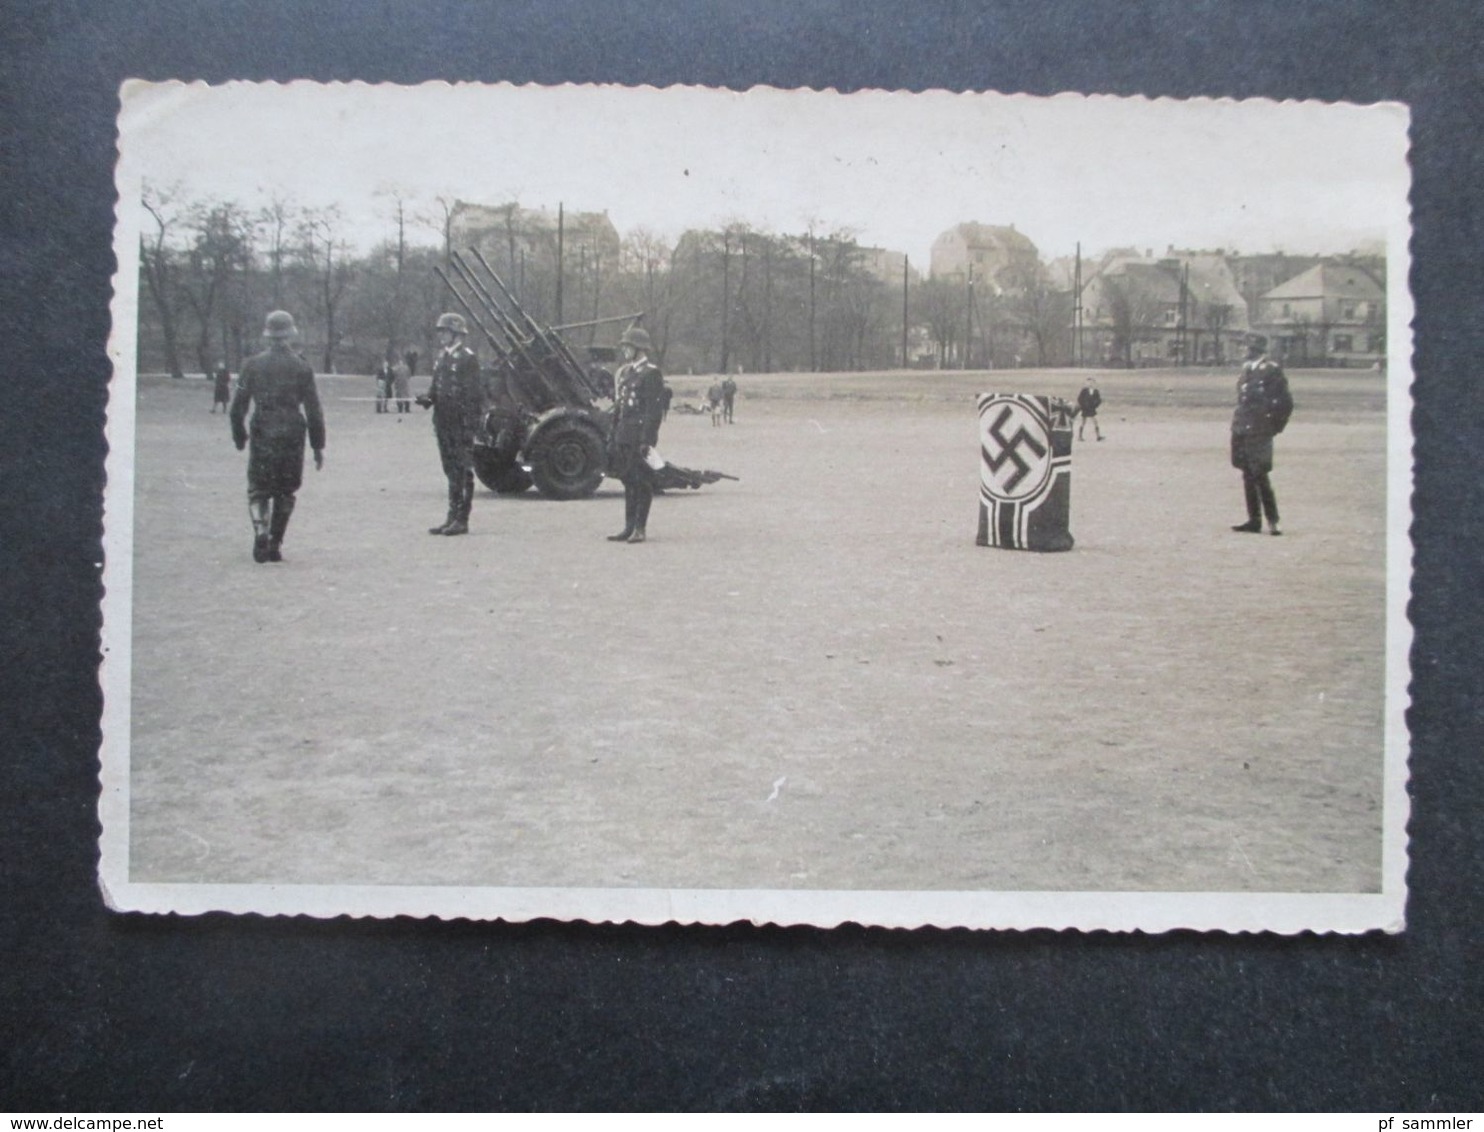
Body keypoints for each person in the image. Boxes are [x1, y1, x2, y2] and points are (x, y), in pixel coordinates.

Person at [229, 311, 325, 563]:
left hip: (263, 430)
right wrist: (318, 446)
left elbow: (238, 405)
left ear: (267, 335)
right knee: (286, 490)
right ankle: (275, 542)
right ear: (291, 335)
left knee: (258, 488)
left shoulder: (251, 365)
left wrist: (239, 435)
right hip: (292, 433)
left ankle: (260, 531)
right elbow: (314, 409)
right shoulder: (302, 366)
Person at [417, 313, 484, 536]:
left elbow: (474, 396)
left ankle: (462, 519)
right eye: (440, 332)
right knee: (450, 469)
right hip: (443, 421)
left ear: (456, 333)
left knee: (462, 470)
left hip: (460, 424)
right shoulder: (442, 357)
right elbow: (437, 388)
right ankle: (451, 516)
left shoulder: (467, 358)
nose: (441, 336)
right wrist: (428, 398)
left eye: (444, 331)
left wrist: (470, 427)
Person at [606, 326, 666, 544]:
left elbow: (653, 411)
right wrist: (613, 434)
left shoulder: (651, 374)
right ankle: (629, 527)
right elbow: (620, 406)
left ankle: (640, 528)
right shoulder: (627, 372)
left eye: (628, 346)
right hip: (624, 434)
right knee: (628, 481)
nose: (624, 350)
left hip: (638, 436)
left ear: (639, 348)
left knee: (641, 481)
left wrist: (647, 441)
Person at [1230, 334, 1293, 536]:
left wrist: (1273, 427)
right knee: (1247, 473)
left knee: (1260, 474)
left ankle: (1273, 520)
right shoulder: (1247, 370)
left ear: (1254, 349)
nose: (1242, 351)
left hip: (1259, 429)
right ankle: (1254, 519)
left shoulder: (1271, 371)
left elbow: (1285, 403)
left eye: (1245, 347)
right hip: (1242, 428)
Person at [1076, 377, 1103, 441]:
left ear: (1094, 383)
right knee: (1083, 422)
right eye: (1089, 382)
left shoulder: (1096, 391)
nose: (1090, 384)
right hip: (1085, 409)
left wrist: (1095, 405)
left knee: (1095, 422)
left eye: (1092, 382)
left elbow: (1099, 400)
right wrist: (1083, 406)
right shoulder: (1084, 391)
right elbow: (1080, 399)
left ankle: (1098, 436)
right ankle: (1080, 437)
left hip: (1091, 409)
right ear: (1086, 383)